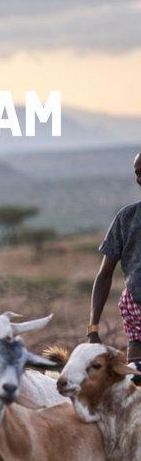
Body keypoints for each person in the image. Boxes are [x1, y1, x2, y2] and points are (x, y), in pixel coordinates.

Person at [88, 150, 141, 375]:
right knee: (137, 378)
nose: (140, 178)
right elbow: (104, 274)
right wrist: (93, 326)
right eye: (138, 173)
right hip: (136, 308)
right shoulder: (126, 218)